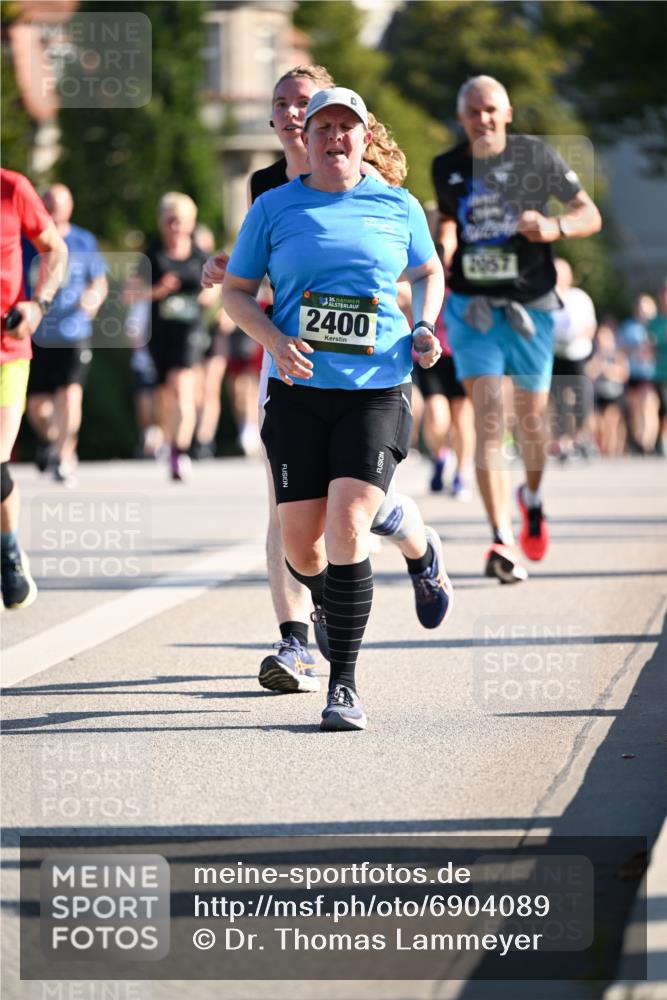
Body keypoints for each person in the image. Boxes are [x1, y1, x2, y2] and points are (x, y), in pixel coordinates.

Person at [204, 66, 452, 700]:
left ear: (364, 136)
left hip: (375, 381)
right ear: (303, 136)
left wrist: (421, 322)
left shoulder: (394, 202)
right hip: (294, 377)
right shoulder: (270, 200)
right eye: (319, 126)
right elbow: (239, 290)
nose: (330, 135)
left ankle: (336, 672)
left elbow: (426, 269)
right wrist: (273, 336)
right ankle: (351, 591)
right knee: (300, 539)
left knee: (347, 522)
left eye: (345, 126)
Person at [431, 75, 602, 583]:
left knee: (530, 425)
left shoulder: (536, 157)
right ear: (461, 118)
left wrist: (555, 227)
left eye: (490, 110)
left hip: (531, 306)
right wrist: (445, 243)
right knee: (487, 418)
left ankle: (532, 496)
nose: (482, 119)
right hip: (472, 307)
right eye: (472, 111)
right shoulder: (448, 166)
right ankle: (501, 538)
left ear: (506, 113)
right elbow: (445, 216)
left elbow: (587, 213)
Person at [0, 168, 68, 608]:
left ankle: (8, 550)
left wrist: (37, 304)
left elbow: (54, 250)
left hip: (7, 347)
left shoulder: (12, 188)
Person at [126, 193, 219, 480]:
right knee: (165, 395)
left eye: (181, 220)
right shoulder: (152, 254)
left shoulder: (199, 256)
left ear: (191, 223)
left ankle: (181, 451)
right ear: (162, 222)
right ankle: (171, 446)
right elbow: (128, 295)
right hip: (159, 332)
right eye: (170, 220)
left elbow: (217, 288)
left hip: (190, 331)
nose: (175, 226)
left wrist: (207, 296)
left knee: (183, 387)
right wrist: (158, 291)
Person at [24, 184, 108, 485]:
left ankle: (63, 457)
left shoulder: (83, 241)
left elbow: (99, 282)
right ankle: (53, 439)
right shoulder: (27, 240)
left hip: (74, 330)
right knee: (36, 404)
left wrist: (93, 299)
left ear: (70, 207)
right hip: (35, 332)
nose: (54, 209)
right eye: (48, 204)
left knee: (70, 394)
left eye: (59, 204)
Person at [413, 300, 475, 499]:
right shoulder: (426, 272)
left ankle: (460, 473)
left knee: (462, 420)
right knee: (437, 419)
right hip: (432, 356)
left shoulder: (468, 278)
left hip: (465, 355)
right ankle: (440, 456)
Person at [550, 257, 597, 459]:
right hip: (555, 354)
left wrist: (576, 337)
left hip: (577, 355)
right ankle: (562, 442)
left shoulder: (580, 297)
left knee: (581, 399)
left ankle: (579, 437)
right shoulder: (547, 298)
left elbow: (590, 326)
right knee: (558, 400)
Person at [617, 293, 659, 455]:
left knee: (649, 405)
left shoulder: (657, 326)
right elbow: (621, 349)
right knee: (636, 408)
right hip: (633, 371)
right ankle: (638, 439)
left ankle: (649, 442)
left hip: (651, 372)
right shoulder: (629, 327)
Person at [586, 320, 628, 456]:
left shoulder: (617, 355)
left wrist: (609, 370)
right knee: (600, 423)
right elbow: (588, 372)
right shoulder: (595, 356)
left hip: (614, 392)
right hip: (599, 393)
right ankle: (603, 448)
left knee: (612, 420)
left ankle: (611, 450)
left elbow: (624, 373)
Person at [648, 279, 667, 456]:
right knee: (662, 405)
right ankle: (659, 439)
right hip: (660, 371)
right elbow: (648, 346)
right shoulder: (655, 322)